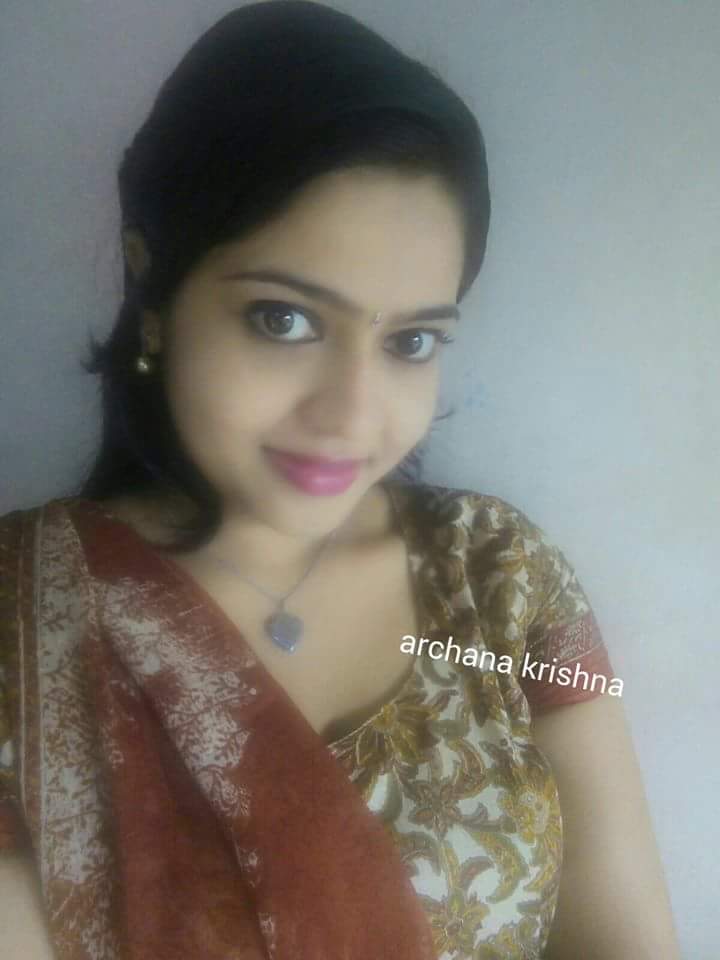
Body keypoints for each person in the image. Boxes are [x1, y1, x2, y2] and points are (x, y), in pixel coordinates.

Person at [0, 2, 681, 958]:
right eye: (283, 319)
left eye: (411, 341)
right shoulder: (23, 620)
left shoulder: (501, 582)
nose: (355, 415)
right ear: (153, 289)